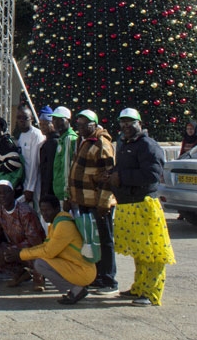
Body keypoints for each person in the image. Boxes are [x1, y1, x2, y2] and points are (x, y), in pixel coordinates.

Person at [107, 108, 176, 307]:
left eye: (130, 123)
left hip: (145, 204)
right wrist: (111, 174)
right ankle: (139, 287)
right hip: (129, 205)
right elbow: (123, 168)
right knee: (139, 252)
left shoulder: (148, 146)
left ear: (140, 123)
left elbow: (152, 175)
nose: (126, 127)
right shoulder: (123, 143)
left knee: (153, 252)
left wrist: (121, 177)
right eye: (123, 123)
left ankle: (152, 292)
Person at [67, 109, 118, 294]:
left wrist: (103, 202)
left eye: (84, 124)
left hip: (98, 202)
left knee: (105, 240)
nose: (80, 127)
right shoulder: (85, 141)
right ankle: (96, 276)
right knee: (92, 240)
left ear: (94, 125)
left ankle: (109, 279)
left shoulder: (102, 143)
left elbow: (108, 176)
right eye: (78, 124)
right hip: (84, 201)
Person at [12, 195, 96, 305]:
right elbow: (45, 246)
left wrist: (20, 255)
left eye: (48, 210)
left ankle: (77, 290)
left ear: (57, 209)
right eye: (42, 210)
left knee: (40, 264)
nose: (44, 214)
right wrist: (21, 252)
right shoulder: (57, 222)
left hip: (83, 271)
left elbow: (48, 251)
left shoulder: (64, 225)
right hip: (76, 266)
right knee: (38, 258)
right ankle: (75, 290)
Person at [0, 181, 45, 287]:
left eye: (5, 193)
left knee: (31, 254)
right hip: (14, 247)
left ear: (13, 193)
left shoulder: (25, 212)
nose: (2, 196)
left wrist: (13, 250)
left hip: (32, 247)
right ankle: (20, 273)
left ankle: (38, 277)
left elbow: (34, 240)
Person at [16, 107, 46, 209]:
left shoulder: (36, 135)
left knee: (39, 212)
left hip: (35, 183)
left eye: (24, 117)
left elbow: (34, 163)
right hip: (25, 182)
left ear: (31, 118)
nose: (21, 120)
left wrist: (30, 188)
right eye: (19, 117)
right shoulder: (21, 135)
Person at [51, 107, 78, 206]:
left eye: (60, 120)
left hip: (66, 196)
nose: (56, 122)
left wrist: (67, 195)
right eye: (54, 119)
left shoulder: (69, 139)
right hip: (59, 194)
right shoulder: (61, 139)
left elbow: (67, 169)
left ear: (68, 120)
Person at [37, 107, 59, 214]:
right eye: (41, 124)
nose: (42, 127)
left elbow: (50, 169)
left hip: (51, 190)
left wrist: (47, 192)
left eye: (45, 124)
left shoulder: (54, 143)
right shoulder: (47, 142)